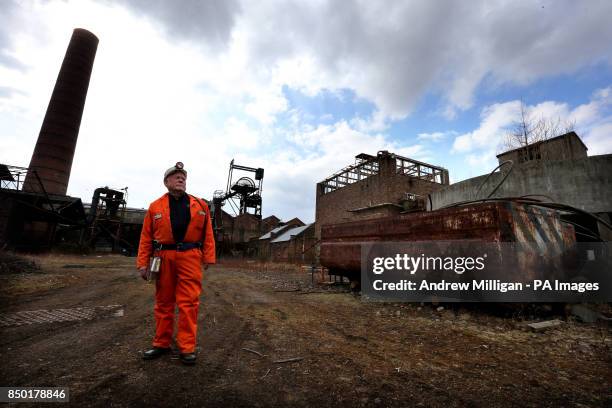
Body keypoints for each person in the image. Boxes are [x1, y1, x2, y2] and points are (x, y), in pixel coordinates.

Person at [136, 162, 215, 365]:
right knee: (164, 302)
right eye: (176, 176)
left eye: (183, 177)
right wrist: (142, 263)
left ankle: (187, 347)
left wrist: (208, 256)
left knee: (189, 303)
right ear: (166, 182)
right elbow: (146, 237)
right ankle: (161, 344)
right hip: (163, 257)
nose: (181, 178)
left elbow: (208, 234)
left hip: (190, 255)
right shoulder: (155, 207)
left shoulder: (201, 205)